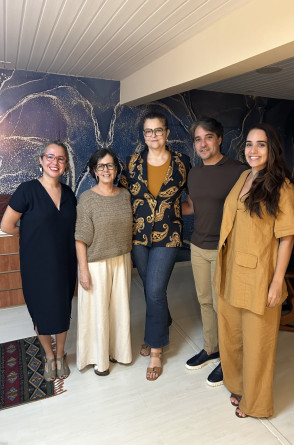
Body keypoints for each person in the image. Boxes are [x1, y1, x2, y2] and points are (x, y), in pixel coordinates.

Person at [214, 123, 294, 418]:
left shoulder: (283, 187)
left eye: (261, 144)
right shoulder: (244, 177)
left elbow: (287, 237)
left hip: (260, 276)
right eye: (249, 144)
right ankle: (238, 385)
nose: (253, 150)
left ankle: (257, 403)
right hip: (230, 269)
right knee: (232, 334)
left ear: (272, 149)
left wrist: (277, 282)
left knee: (258, 343)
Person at [120, 111, 190, 381]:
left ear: (167, 133)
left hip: (169, 236)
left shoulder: (182, 163)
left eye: (158, 130)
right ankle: (161, 322)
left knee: (155, 289)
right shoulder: (132, 162)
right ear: (144, 135)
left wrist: (170, 214)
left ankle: (157, 348)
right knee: (152, 289)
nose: (153, 136)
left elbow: (192, 201)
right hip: (139, 236)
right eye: (148, 131)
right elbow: (123, 198)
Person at [1, 141, 77, 381]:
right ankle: (49, 355)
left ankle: (61, 354)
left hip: (64, 261)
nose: (55, 162)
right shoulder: (28, 190)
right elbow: (7, 225)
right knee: (41, 311)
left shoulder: (69, 194)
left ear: (65, 164)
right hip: (36, 263)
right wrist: (30, 235)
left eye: (61, 158)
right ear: (41, 161)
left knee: (63, 309)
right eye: (50, 157)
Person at [182, 117, 247, 386]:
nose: (203, 143)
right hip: (198, 245)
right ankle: (211, 348)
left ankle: (229, 359)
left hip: (225, 248)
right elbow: (192, 207)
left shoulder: (239, 171)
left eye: (208, 137)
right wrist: (160, 207)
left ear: (219, 138)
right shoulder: (194, 173)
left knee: (225, 306)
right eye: (198, 139)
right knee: (205, 301)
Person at [75, 148, 133, 376]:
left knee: (119, 310)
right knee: (97, 312)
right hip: (96, 263)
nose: (106, 170)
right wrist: (83, 270)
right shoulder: (87, 198)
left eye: (110, 165)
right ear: (94, 171)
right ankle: (98, 360)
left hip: (121, 259)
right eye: (101, 166)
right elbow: (80, 237)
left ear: (116, 169)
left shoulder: (125, 195)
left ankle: (118, 352)